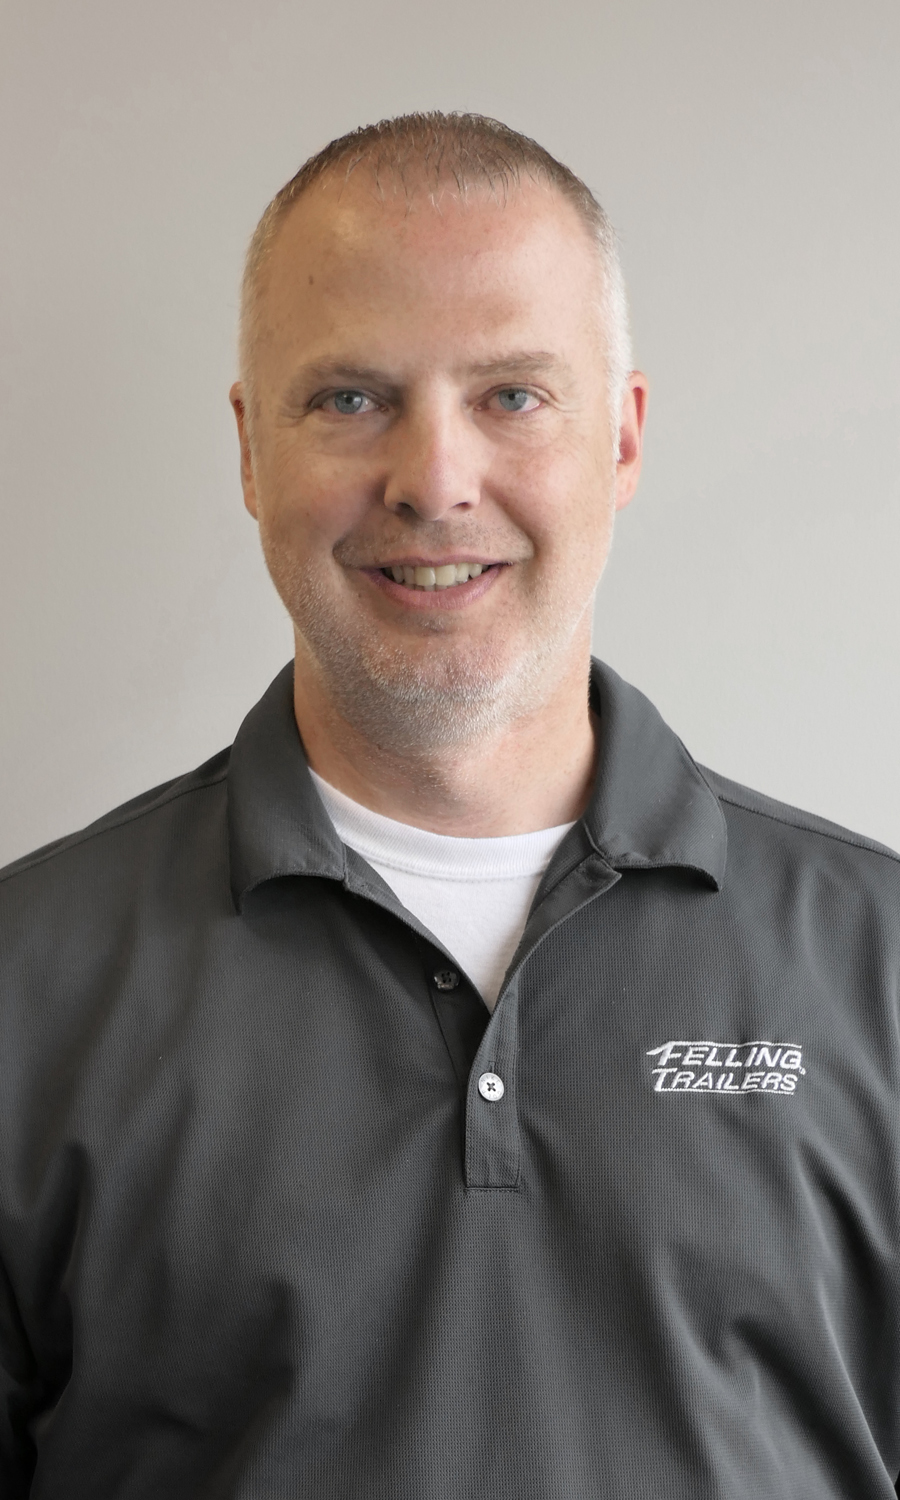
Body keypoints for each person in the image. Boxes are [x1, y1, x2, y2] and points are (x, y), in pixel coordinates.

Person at [1, 112, 899, 1500]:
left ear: (623, 438)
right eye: (349, 399)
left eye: (513, 397)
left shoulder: (878, 962)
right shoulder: (25, 981)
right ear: (250, 452)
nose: (433, 481)